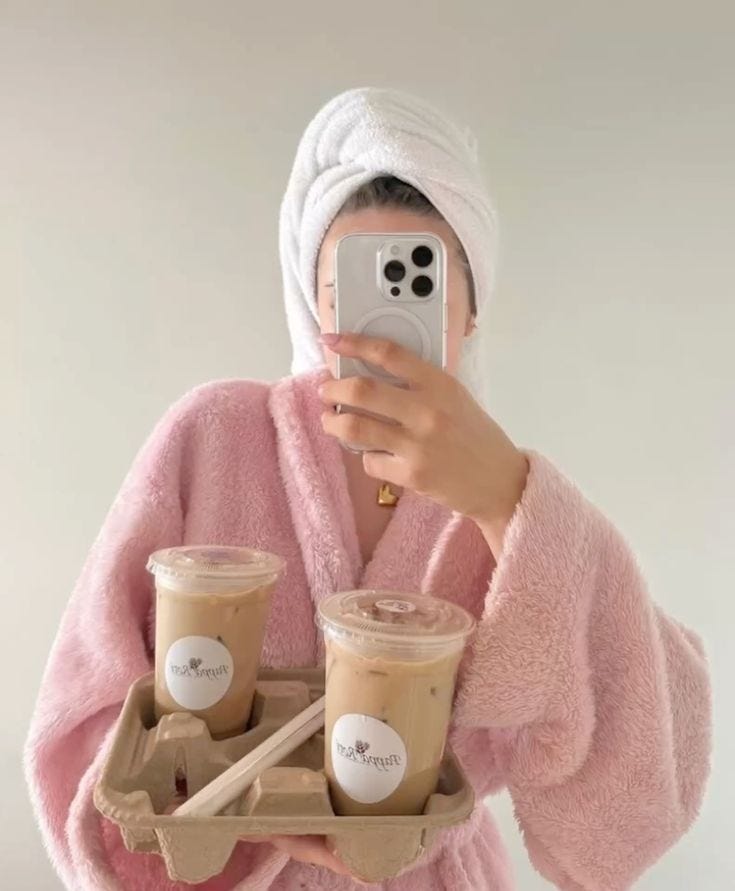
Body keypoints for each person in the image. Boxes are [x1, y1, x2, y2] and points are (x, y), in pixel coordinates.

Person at [24, 87, 711, 891]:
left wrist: (506, 499)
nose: (384, 319)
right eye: (350, 288)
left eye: (419, 282)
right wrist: (234, 811)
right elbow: (82, 700)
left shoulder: (509, 500)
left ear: (470, 310)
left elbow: (638, 775)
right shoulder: (213, 434)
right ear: (311, 305)